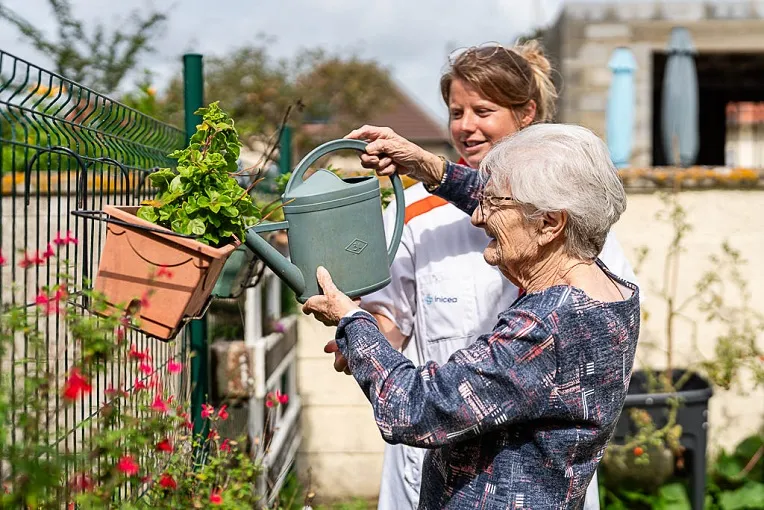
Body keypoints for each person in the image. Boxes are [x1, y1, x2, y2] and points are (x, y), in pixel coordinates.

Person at [335, 42, 637, 509]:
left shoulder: (545, 324)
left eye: (483, 110)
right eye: (456, 112)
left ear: (551, 221)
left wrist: (351, 324)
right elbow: (390, 318)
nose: (480, 217)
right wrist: (433, 168)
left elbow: (415, 407)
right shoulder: (603, 280)